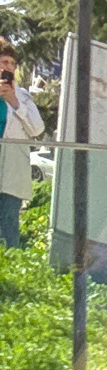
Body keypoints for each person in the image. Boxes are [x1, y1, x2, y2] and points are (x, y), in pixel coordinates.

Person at [0, 40, 45, 251]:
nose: (9, 67)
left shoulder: (23, 97)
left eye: (12, 63)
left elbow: (37, 129)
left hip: (12, 172)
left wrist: (14, 102)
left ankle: (11, 264)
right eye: (4, 62)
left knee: (9, 222)